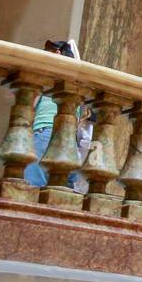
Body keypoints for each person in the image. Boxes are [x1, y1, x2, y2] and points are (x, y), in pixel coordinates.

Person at [24, 39, 90, 190]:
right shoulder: (74, 83)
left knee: (34, 183)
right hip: (68, 139)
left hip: (46, 131)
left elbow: (32, 106)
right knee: (63, 186)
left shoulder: (54, 79)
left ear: (58, 54)